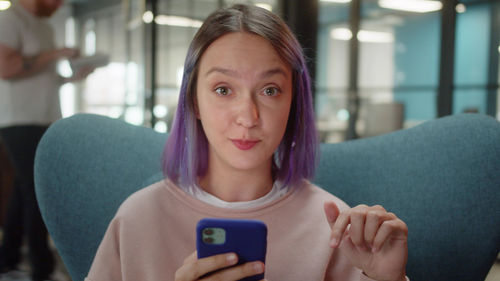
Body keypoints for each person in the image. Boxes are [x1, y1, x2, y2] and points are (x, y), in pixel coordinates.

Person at [85, 4, 408, 281]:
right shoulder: (137, 219)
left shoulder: (338, 227)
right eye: (223, 90)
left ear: (293, 103)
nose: (248, 116)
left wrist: (388, 279)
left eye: (270, 90)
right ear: (193, 101)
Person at [0, 0, 93, 280]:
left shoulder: (45, 26)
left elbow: (42, 77)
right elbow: (6, 68)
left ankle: (7, 259)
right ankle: (43, 269)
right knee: (38, 191)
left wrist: (72, 78)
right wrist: (54, 54)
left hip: (45, 118)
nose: (61, 3)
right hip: (19, 121)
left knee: (23, 189)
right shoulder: (9, 19)